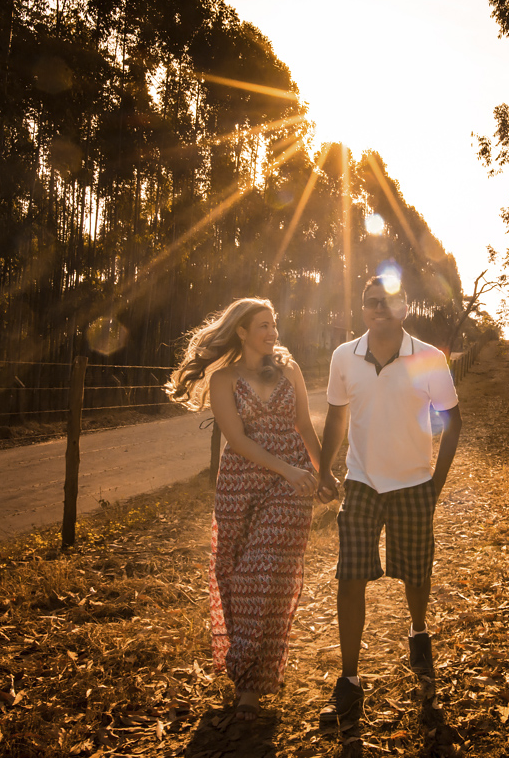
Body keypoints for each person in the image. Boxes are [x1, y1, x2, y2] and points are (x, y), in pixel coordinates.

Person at [166, 298, 327, 721]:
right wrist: (288, 469)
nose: (273, 331)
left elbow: (305, 427)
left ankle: (251, 689)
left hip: (289, 489)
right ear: (241, 331)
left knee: (263, 572)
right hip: (240, 487)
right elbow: (236, 441)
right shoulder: (224, 380)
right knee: (239, 577)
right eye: (263, 325)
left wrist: (318, 472)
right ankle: (250, 681)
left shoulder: (289, 369)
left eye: (274, 324)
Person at [315, 276, 463, 729]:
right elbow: (338, 416)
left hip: (414, 484)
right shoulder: (345, 356)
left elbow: (452, 422)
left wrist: (435, 485)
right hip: (361, 484)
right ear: (363, 308)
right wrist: (325, 469)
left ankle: (419, 632)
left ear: (404, 308)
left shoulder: (428, 359)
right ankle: (350, 680)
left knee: (416, 573)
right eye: (370, 302)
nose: (379, 308)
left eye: (388, 302)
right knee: (350, 576)